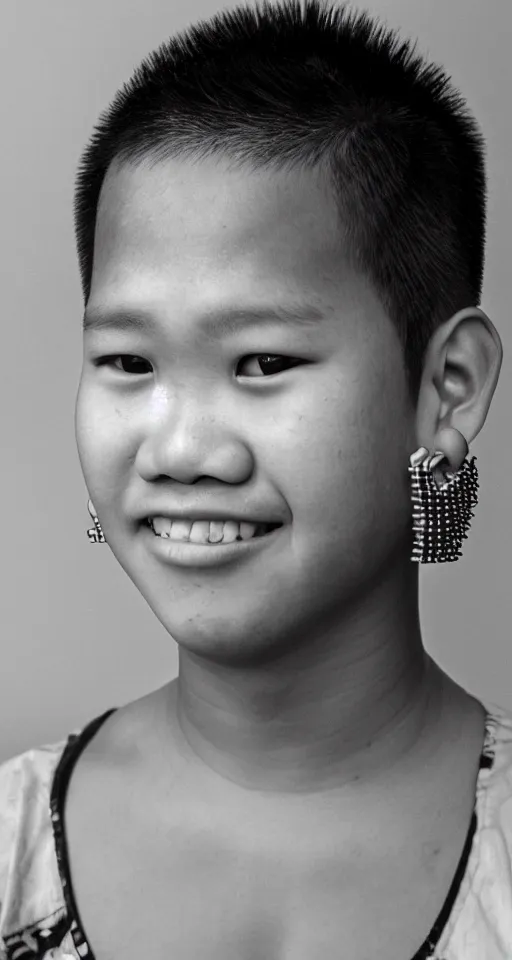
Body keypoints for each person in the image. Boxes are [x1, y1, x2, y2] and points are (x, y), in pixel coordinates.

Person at [0, 0, 510, 957]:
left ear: (448, 387)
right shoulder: (9, 844)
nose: (181, 449)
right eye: (128, 363)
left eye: (263, 363)